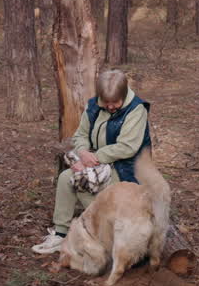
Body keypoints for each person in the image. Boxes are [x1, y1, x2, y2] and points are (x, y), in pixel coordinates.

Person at [32, 69, 151, 254]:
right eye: (107, 102)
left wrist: (93, 158)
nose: (111, 107)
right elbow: (81, 135)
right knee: (66, 178)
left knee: (83, 183)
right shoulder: (93, 106)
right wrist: (82, 152)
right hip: (96, 161)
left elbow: (128, 147)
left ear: (124, 94)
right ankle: (60, 235)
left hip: (127, 167)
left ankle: (105, 232)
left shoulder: (137, 109)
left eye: (115, 102)